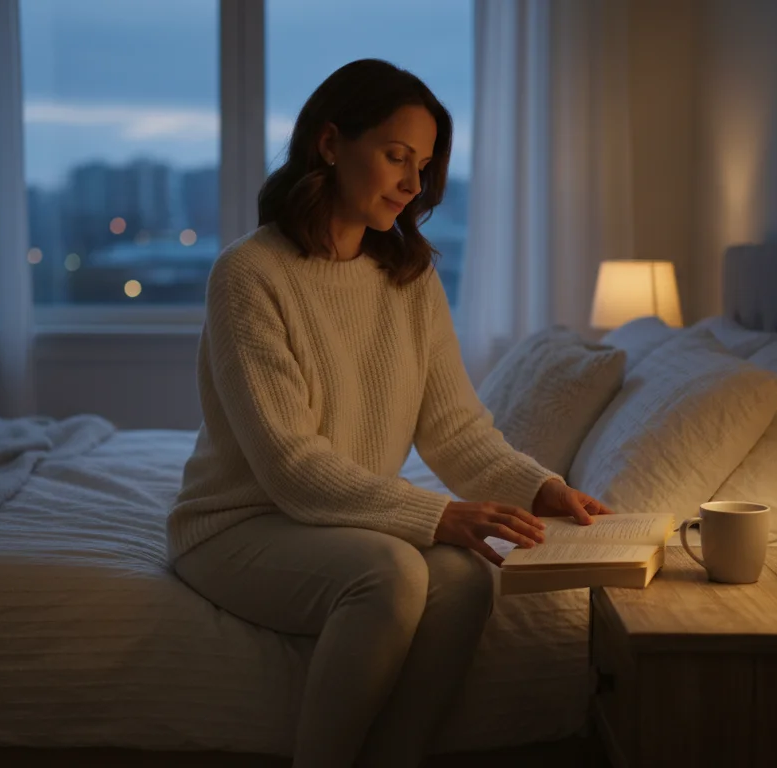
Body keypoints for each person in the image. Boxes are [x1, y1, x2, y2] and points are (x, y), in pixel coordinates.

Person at [167, 58, 613, 767]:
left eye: (425, 164)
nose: (412, 184)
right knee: (392, 574)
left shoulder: (409, 276)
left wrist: (541, 488)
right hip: (237, 525)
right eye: (396, 156)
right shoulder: (249, 274)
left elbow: (456, 428)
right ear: (331, 143)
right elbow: (291, 466)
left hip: (340, 521)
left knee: (467, 577)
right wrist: (437, 515)